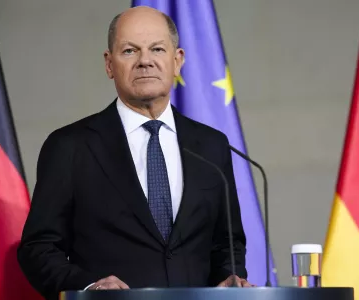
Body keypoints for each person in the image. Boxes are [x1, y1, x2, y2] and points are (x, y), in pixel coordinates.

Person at [17, 6, 253, 300]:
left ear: (177, 61)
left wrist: (228, 279)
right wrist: (89, 287)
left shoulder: (211, 145)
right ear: (109, 64)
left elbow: (226, 244)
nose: (145, 61)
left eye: (157, 49)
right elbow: (38, 248)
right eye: (129, 51)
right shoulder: (71, 146)